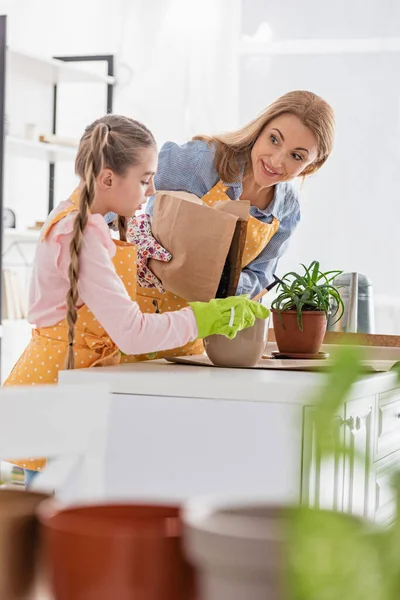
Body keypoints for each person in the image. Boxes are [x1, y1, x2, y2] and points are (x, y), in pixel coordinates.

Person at [3, 114, 268, 482]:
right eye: (145, 180)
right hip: (57, 391)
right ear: (108, 179)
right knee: (61, 532)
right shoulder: (82, 235)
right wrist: (206, 317)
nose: (152, 190)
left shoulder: (82, 219)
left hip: (64, 388)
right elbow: (132, 332)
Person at [105, 90, 335, 362]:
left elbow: (259, 277)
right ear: (260, 129)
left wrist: (220, 284)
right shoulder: (203, 162)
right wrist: (121, 238)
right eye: (274, 140)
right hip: (136, 320)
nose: (276, 161)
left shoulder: (287, 209)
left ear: (311, 165)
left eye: (296, 156)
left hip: (196, 338)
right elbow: (112, 190)